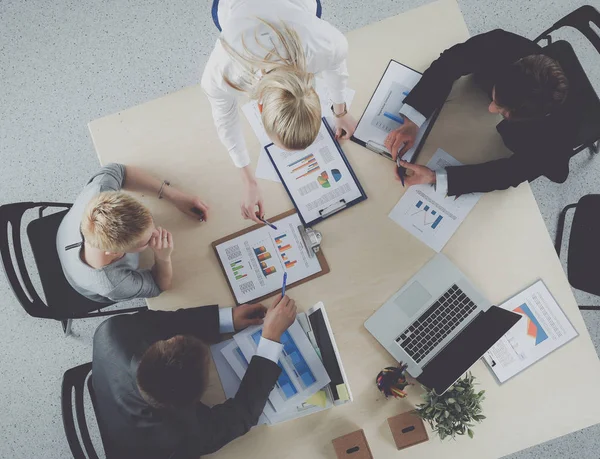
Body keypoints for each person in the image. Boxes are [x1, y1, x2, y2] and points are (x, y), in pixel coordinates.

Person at [202, 0, 356, 222]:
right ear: (261, 106)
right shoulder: (225, 71)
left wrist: (341, 112)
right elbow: (224, 121)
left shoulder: (328, 45)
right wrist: (248, 181)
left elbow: (336, 64)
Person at [92, 294, 297, 459]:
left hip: (113, 399)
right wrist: (270, 339)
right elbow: (241, 415)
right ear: (193, 401)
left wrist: (226, 319)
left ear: (166, 342)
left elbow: (165, 322)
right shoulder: (181, 436)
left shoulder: (113, 330)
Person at [385, 29, 575, 196]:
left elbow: (510, 173)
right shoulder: (502, 44)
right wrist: (413, 120)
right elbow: (450, 62)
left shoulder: (554, 139)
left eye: (502, 109)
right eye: (495, 98)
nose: (491, 109)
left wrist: (437, 177)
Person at [56, 163, 209, 303]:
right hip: (82, 283)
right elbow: (159, 286)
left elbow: (119, 170)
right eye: (146, 242)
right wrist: (163, 258)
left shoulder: (100, 192)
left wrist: (174, 196)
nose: (156, 233)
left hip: (65, 235)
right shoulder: (116, 284)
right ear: (112, 252)